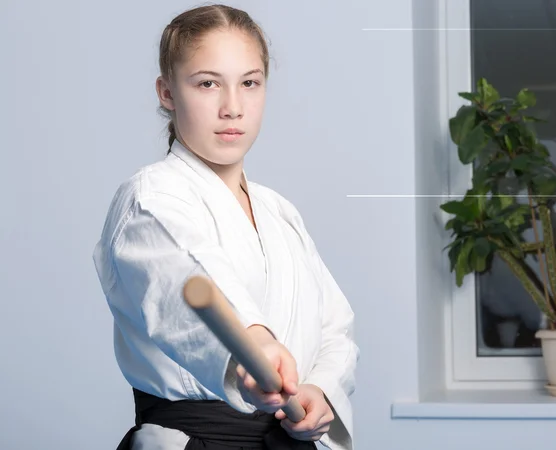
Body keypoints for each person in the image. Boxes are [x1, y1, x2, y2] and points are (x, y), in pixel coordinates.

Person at [92, 4, 359, 450]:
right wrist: (250, 347)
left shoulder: (279, 211)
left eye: (249, 83)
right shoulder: (151, 199)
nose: (232, 107)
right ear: (167, 92)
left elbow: (335, 327)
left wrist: (318, 391)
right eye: (208, 83)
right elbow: (187, 278)